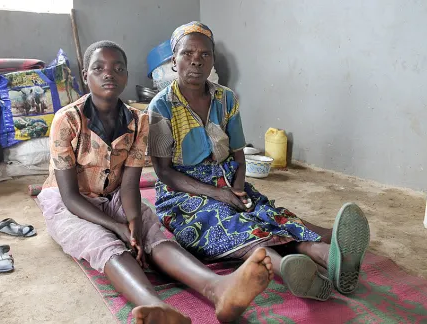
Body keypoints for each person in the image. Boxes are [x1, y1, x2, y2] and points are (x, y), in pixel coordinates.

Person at [37, 40, 274, 324]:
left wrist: (134, 222)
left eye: (118, 68)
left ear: (126, 76)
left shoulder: (139, 121)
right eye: (98, 68)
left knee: (151, 233)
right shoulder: (68, 120)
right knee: (102, 242)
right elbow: (70, 197)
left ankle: (218, 288)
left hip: (114, 195)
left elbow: (128, 185)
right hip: (69, 203)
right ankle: (157, 307)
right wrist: (117, 227)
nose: (108, 74)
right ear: (85, 76)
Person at [148, 22, 371, 301]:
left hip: (228, 180)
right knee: (224, 220)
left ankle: (326, 256)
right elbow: (164, 172)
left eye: (205, 54)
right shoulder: (161, 106)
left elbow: (239, 157)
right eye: (187, 53)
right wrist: (218, 194)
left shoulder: (226, 99)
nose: (196, 60)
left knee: (264, 213)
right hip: (182, 193)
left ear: (213, 59)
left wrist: (237, 190)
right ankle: (285, 268)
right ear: (174, 60)